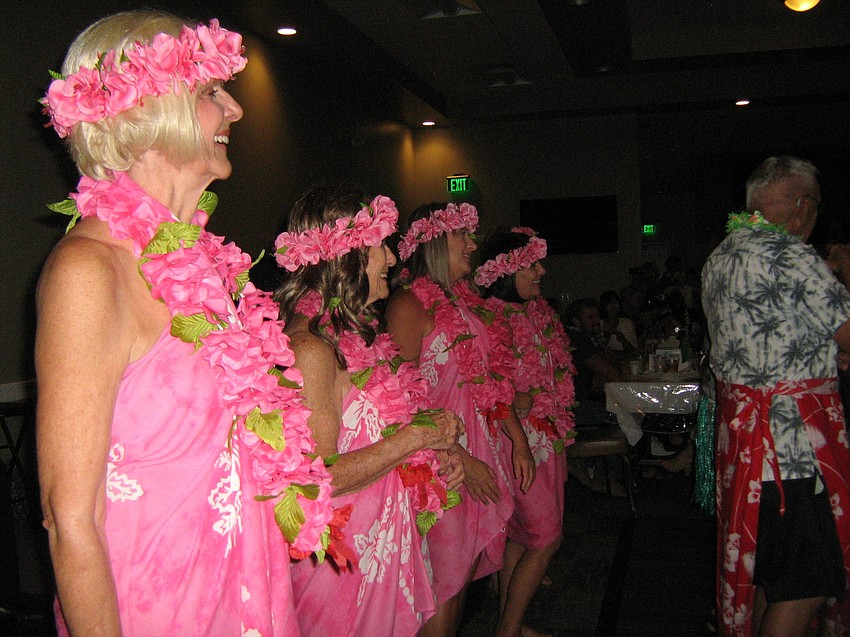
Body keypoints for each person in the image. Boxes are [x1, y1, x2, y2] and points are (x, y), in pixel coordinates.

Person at [35, 12, 336, 635]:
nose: (235, 109)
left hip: (247, 601)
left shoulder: (204, 271)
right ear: (143, 110)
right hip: (156, 610)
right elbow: (71, 521)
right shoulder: (89, 273)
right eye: (208, 91)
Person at [274, 184, 464, 637]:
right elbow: (316, 480)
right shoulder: (311, 349)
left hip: (380, 549)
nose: (393, 260)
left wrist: (433, 457)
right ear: (345, 255)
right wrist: (416, 438)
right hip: (343, 568)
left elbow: (379, 437)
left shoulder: (356, 338)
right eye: (379, 244)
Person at [702, 155, 850, 636]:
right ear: (803, 205)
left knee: (770, 578)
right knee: (806, 584)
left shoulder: (719, 257)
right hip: (791, 453)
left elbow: (765, 342)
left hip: (746, 450)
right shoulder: (790, 253)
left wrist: (821, 352)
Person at [386, 202, 535, 636]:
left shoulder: (464, 303)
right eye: (462, 236)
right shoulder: (408, 305)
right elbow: (398, 404)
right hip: (440, 468)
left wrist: (518, 441)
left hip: (476, 454)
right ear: (433, 242)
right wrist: (460, 460)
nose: (473, 245)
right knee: (442, 589)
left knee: (459, 585)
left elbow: (489, 380)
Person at [476, 227, 577, 637]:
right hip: (517, 440)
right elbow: (491, 386)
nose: (542, 271)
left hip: (545, 436)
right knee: (545, 538)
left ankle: (511, 625)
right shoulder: (492, 318)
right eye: (532, 264)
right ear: (508, 269)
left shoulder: (537, 313)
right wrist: (519, 402)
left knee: (522, 536)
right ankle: (507, 632)